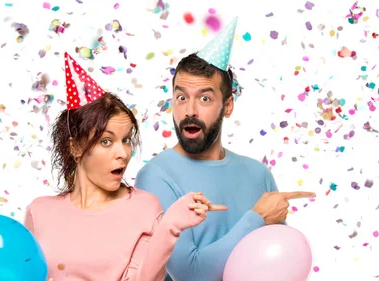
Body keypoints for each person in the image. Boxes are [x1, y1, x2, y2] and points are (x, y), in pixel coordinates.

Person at [134, 18, 316, 281]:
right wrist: (257, 217)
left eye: (205, 98)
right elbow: (189, 273)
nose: (190, 111)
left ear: (228, 106)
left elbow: (277, 264)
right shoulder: (155, 176)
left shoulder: (258, 174)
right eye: (182, 97)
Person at [23, 52, 226, 281]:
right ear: (76, 148)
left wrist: (170, 225)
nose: (123, 154)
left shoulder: (144, 208)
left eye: (126, 140)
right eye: (106, 142)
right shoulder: (38, 212)